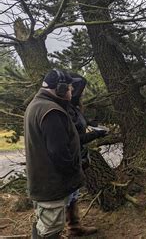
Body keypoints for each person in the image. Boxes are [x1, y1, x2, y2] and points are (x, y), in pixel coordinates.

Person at [24, 69, 84, 238]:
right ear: (61, 88)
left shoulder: (37, 105)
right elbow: (59, 153)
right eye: (71, 88)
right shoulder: (51, 111)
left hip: (44, 182)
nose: (72, 92)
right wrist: (74, 171)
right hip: (52, 183)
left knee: (43, 225)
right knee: (50, 230)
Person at [64, 73, 105, 237]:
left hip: (78, 157)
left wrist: (92, 125)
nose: (81, 92)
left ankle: (74, 227)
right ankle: (59, 230)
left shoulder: (73, 107)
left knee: (73, 194)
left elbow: (80, 124)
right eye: (78, 89)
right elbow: (75, 138)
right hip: (70, 157)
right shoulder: (64, 109)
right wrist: (97, 134)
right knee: (65, 197)